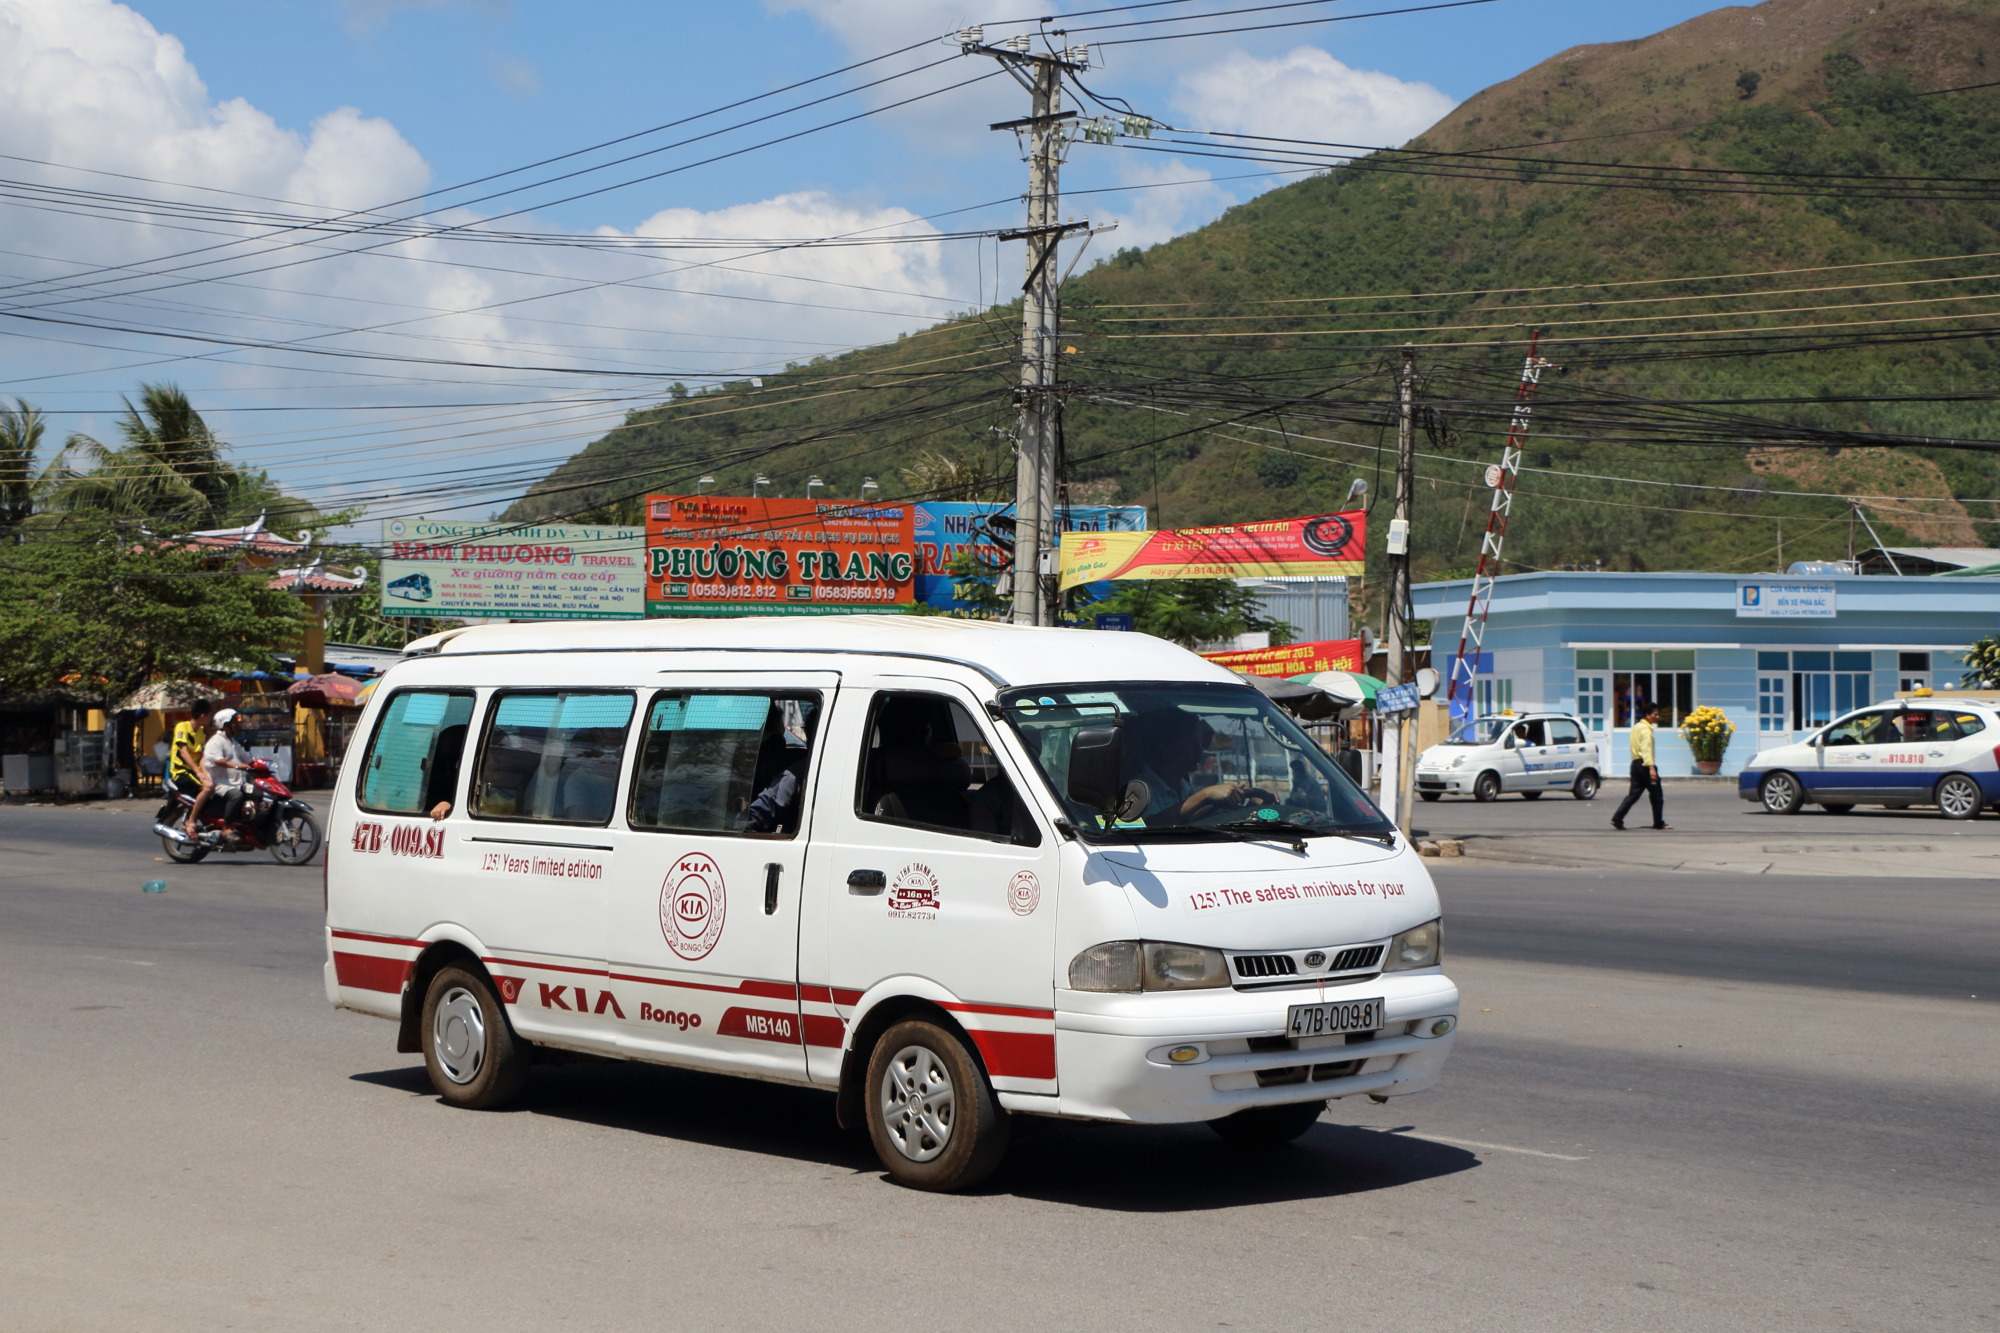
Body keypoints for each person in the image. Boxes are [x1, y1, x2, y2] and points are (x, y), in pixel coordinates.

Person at [1127, 709, 1250, 824]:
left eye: (1200, 743)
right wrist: (1204, 796)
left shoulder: (1188, 789)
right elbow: (1147, 827)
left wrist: (1249, 802)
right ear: (1164, 747)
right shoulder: (1136, 790)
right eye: (1191, 743)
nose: (1199, 750)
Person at [1612, 700, 1670, 831]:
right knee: (1657, 795)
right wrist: (1651, 768)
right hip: (1645, 765)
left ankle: (1617, 818)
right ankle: (1658, 822)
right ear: (1648, 715)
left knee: (1633, 794)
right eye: (1655, 714)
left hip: (1635, 764)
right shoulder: (1646, 730)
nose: (1657, 717)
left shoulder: (1636, 727)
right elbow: (1646, 749)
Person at [194, 708, 254, 830]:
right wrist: (238, 766)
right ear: (225, 725)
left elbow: (247, 759)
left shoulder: (233, 742)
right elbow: (218, 761)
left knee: (258, 793)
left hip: (236, 782)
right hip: (221, 783)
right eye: (235, 723)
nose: (238, 725)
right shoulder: (216, 741)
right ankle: (227, 827)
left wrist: (259, 764)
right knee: (236, 796)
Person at [172, 700, 214, 834]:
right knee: (208, 787)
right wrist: (198, 771)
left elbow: (201, 756)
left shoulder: (202, 732)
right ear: (202, 716)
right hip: (181, 772)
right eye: (209, 716)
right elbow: (183, 752)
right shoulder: (182, 727)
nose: (210, 719)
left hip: (194, 772)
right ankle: (191, 821)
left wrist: (204, 772)